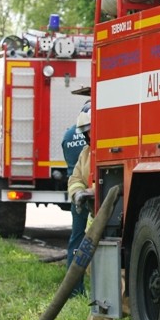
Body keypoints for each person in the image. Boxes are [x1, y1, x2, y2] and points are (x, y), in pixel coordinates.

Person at [64, 103, 92, 296]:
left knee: (77, 240)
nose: (87, 137)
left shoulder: (68, 135)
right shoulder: (87, 152)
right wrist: (78, 193)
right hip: (85, 204)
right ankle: (74, 290)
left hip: (94, 207)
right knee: (80, 244)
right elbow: (75, 177)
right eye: (86, 133)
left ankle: (75, 289)